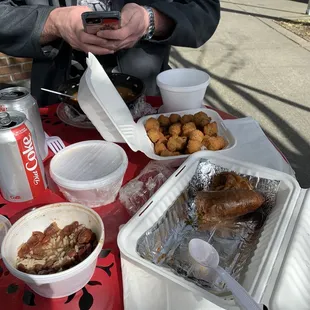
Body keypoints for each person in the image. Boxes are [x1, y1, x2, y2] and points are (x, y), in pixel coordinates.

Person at [0, 0, 220, 106]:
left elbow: (204, 10)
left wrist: (150, 20)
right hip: (58, 99)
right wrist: (53, 22)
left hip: (146, 99)